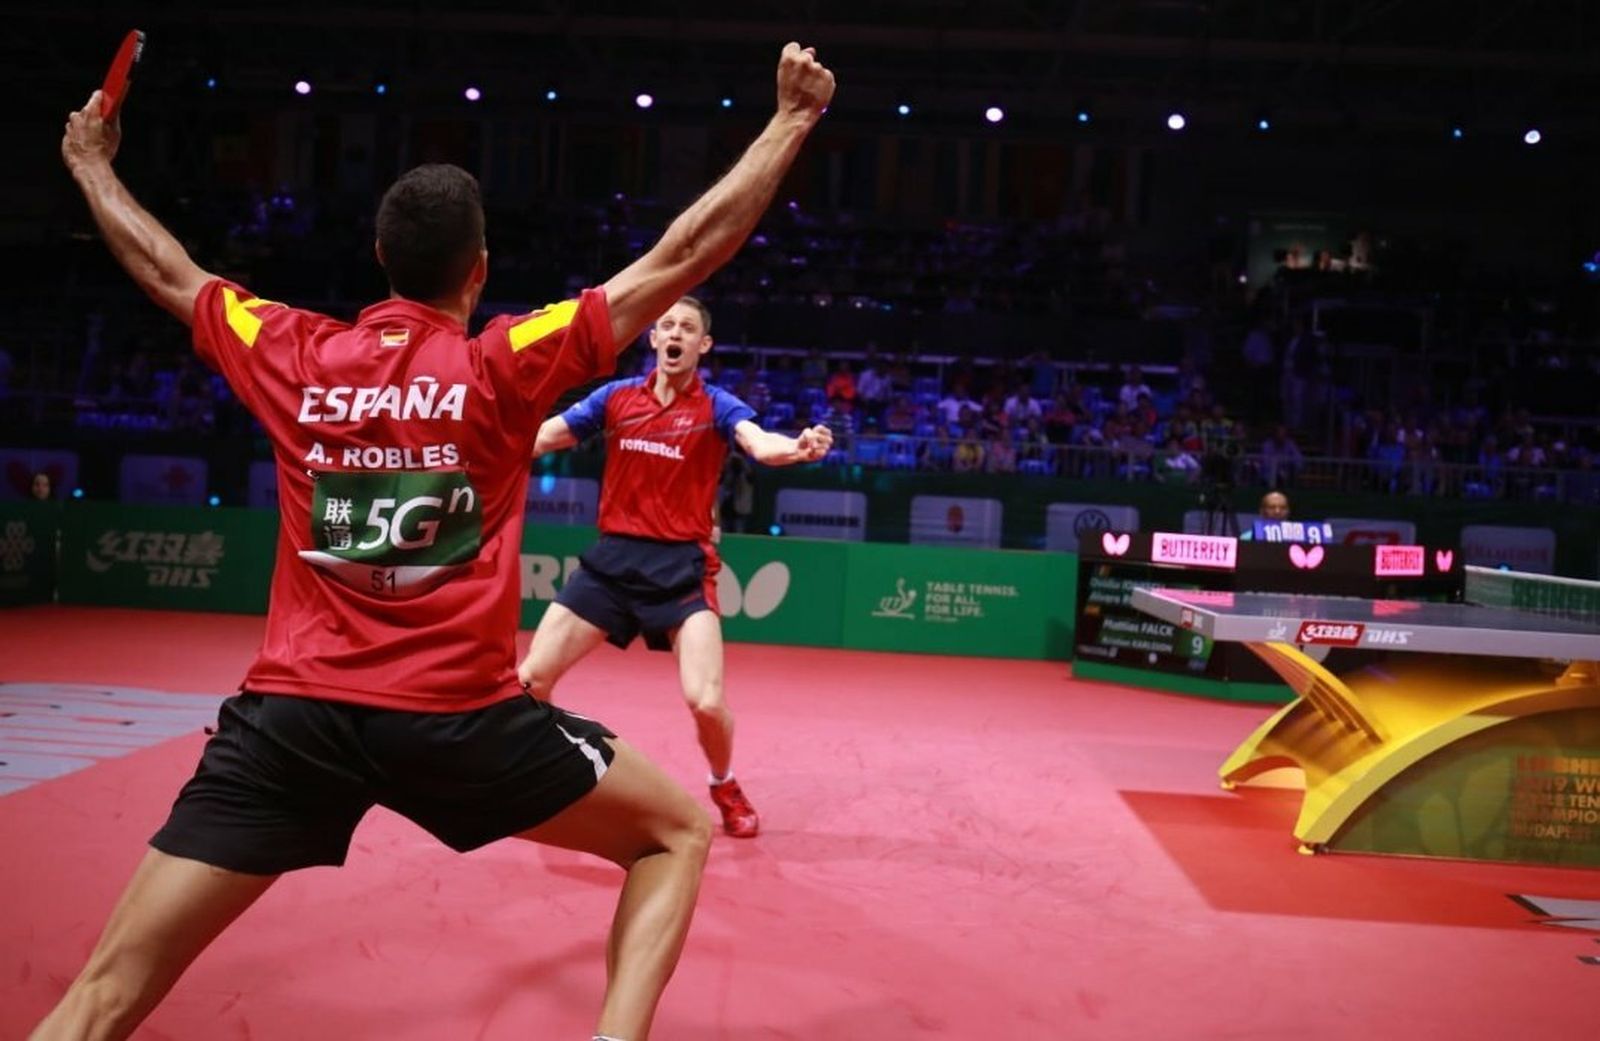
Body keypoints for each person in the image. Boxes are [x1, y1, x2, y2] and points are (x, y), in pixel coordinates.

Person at [38, 41, 835, 1041]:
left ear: (380, 259)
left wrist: (90, 165)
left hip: (291, 724)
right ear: (481, 269)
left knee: (103, 996)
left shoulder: (293, 349)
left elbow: (168, 270)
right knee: (673, 832)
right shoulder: (502, 361)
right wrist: (789, 121)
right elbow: (679, 256)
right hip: (456, 726)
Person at [516, 296, 832, 839]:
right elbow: (547, 436)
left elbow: (759, 444)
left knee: (706, 702)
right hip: (612, 562)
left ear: (702, 345)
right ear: (654, 339)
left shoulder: (716, 406)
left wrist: (798, 448)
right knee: (530, 680)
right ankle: (550, 772)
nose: (675, 334)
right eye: (667, 325)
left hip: (681, 568)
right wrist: (480, 437)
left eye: (687, 327)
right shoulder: (615, 398)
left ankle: (723, 782)